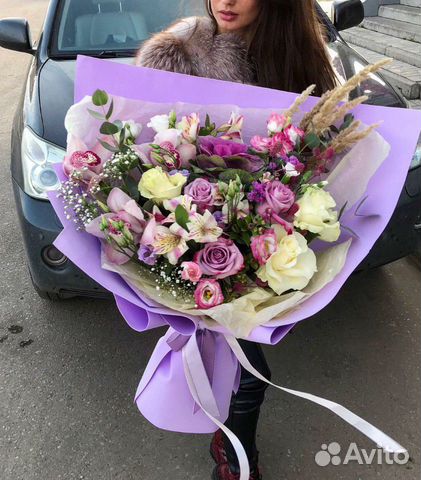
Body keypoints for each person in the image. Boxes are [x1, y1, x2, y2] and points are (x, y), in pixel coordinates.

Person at [135, 1, 337, 479]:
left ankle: (230, 442)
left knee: (242, 368)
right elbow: (142, 149)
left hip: (268, 248)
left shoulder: (303, 62)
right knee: (247, 376)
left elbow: (324, 163)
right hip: (190, 240)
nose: (225, 1)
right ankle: (236, 457)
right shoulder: (178, 53)